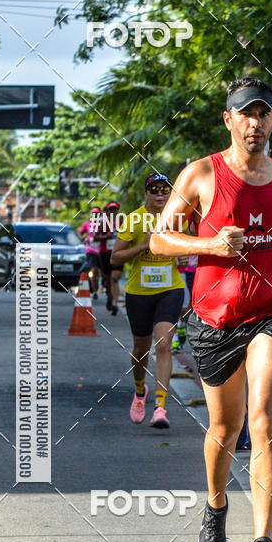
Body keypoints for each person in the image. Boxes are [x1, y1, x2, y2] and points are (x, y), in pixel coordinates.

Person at [149, 76, 272, 542]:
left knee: (264, 419)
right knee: (225, 428)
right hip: (214, 318)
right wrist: (210, 245)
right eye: (246, 113)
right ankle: (217, 504)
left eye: (264, 113)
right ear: (229, 120)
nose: (255, 122)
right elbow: (161, 240)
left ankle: (263, 541)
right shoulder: (201, 174)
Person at [110, 173, 184, 428]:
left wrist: (185, 256)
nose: (160, 195)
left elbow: (190, 246)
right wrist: (143, 246)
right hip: (139, 293)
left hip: (170, 289)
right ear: (147, 193)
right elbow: (115, 258)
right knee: (141, 349)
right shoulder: (134, 219)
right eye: (155, 190)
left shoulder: (178, 218)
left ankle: (160, 407)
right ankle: (140, 391)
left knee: (164, 343)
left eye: (165, 190)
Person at [98, 200, 123, 315]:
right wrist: (105, 236)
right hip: (105, 253)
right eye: (111, 209)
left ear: (118, 210)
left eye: (115, 209)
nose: (113, 211)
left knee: (115, 278)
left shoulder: (123, 222)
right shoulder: (103, 222)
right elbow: (95, 238)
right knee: (108, 278)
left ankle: (115, 303)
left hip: (118, 252)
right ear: (108, 211)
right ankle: (109, 295)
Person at [79, 208, 102, 298]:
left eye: (97, 214)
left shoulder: (103, 224)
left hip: (101, 250)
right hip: (90, 251)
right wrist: (83, 239)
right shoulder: (87, 224)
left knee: (101, 272)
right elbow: (81, 232)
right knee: (93, 271)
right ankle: (95, 292)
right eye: (93, 214)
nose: (95, 216)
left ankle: (101, 284)